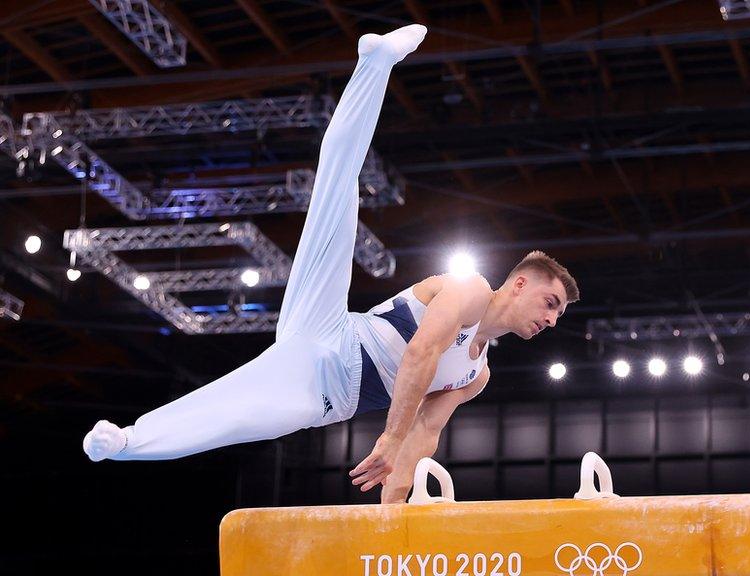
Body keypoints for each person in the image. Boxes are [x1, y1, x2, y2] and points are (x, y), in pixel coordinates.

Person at [81, 24, 580, 504]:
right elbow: (419, 354)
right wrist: (388, 437)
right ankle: (376, 63)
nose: (553, 318)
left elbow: (423, 436)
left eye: (558, 314)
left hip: (321, 394)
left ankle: (127, 442)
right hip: (333, 330)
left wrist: (392, 517)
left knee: (231, 420)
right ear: (517, 283)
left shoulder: (476, 377)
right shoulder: (469, 289)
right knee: (337, 191)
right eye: (551, 301)